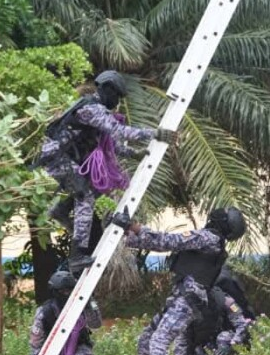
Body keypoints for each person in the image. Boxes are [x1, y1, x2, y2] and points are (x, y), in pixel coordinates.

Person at [115, 207, 246, 355]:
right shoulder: (211, 240)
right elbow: (156, 243)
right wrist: (127, 233)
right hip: (179, 298)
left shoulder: (208, 237)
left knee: (158, 341)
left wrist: (132, 226)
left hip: (186, 301)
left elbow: (167, 241)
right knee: (145, 340)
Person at [36, 70, 176, 272]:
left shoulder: (97, 109)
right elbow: (120, 131)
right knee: (84, 197)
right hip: (57, 157)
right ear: (108, 89)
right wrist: (155, 133)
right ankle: (77, 256)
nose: (117, 102)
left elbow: (110, 143)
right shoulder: (92, 109)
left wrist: (133, 153)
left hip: (63, 158)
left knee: (96, 188)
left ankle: (61, 210)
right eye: (117, 95)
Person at [171, 283, 253, 355]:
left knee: (223, 338)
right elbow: (181, 341)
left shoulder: (224, 300)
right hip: (204, 348)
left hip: (227, 343)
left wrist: (233, 343)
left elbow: (241, 325)